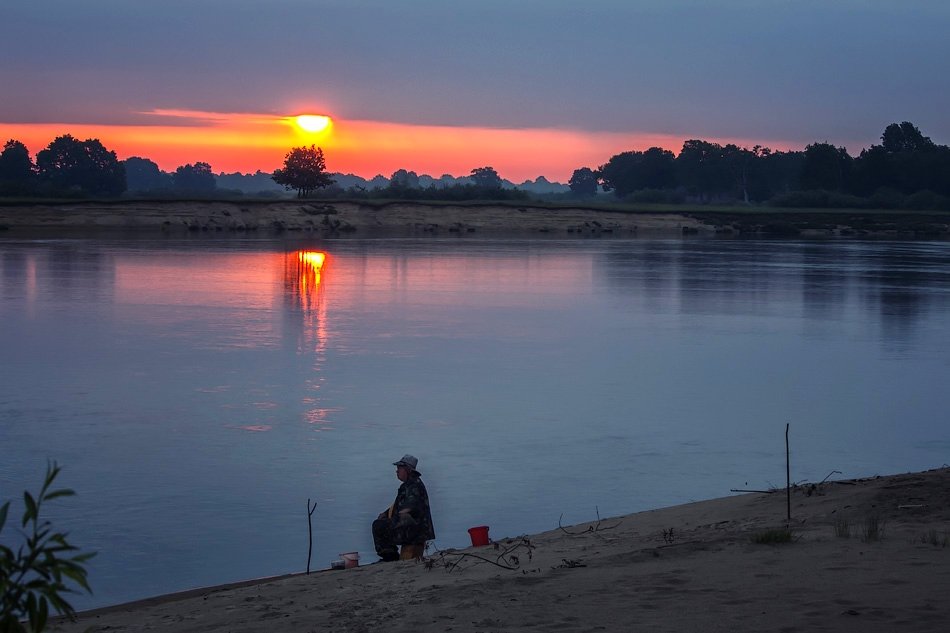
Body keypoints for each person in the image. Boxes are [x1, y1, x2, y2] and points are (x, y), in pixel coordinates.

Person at [372, 454, 435, 562]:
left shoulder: (413, 485)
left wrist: (396, 518)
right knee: (382, 522)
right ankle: (390, 555)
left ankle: (390, 557)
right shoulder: (409, 484)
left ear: (407, 469)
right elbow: (398, 504)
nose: (397, 471)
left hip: (415, 530)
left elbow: (409, 507)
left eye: (399, 469)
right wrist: (386, 514)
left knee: (379, 526)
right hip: (414, 528)